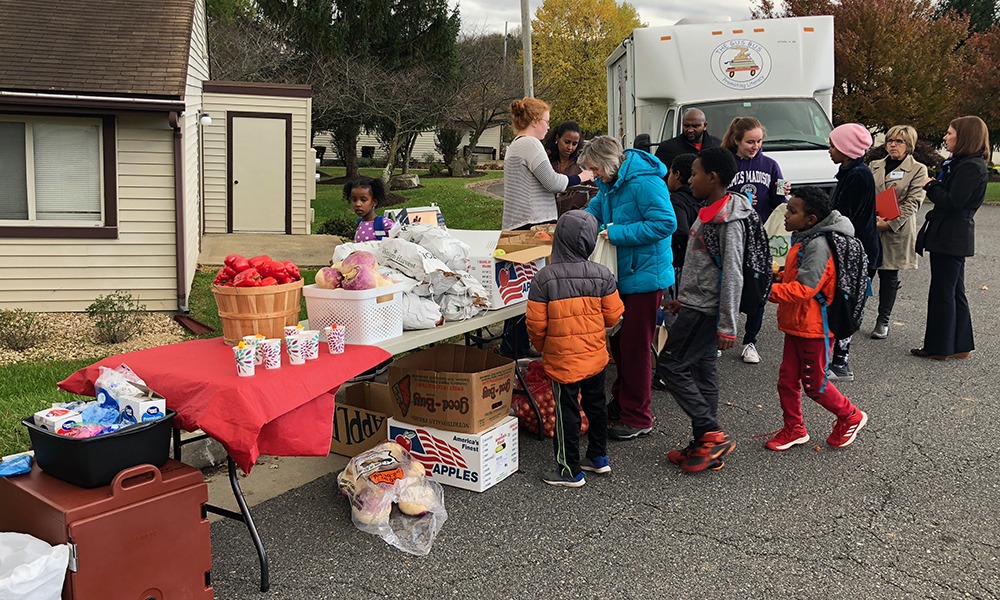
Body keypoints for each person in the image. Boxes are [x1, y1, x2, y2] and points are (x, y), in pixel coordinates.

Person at [580, 136, 676, 441]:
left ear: (608, 163)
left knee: (634, 347)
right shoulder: (611, 185)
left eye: (595, 169)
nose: (593, 176)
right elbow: (592, 213)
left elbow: (665, 223)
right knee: (621, 345)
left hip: (645, 278)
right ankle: (623, 403)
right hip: (625, 274)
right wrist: (571, 226)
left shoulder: (644, 182)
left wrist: (618, 233)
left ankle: (638, 415)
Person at [656, 147, 744, 472]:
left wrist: (727, 325)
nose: (689, 179)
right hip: (696, 304)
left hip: (707, 311)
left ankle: (711, 433)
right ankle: (704, 445)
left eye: (694, 174)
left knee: (671, 366)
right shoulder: (709, 209)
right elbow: (703, 265)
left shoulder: (728, 220)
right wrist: (684, 297)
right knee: (703, 372)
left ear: (713, 177)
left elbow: (733, 272)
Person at [764, 186, 869, 452]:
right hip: (798, 323)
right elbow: (801, 277)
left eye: (792, 211)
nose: (786, 215)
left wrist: (765, 292)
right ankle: (794, 428)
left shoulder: (819, 244)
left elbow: (806, 289)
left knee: (815, 384)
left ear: (811, 220)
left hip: (815, 327)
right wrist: (780, 277)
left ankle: (851, 416)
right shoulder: (807, 238)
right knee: (787, 379)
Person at [526, 211, 625, 487]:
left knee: (566, 412)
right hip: (595, 355)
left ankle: (569, 470)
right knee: (596, 405)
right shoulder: (602, 275)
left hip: (562, 359)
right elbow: (614, 316)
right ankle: (598, 457)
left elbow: (535, 325)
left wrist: (543, 347)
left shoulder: (544, 279)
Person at [501, 98, 594, 358]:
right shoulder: (531, 144)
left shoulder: (516, 145)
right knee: (530, 289)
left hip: (517, 223)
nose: (547, 128)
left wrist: (556, 198)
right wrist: (581, 178)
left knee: (518, 290)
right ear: (534, 121)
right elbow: (552, 181)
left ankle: (515, 346)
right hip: (533, 227)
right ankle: (514, 349)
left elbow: (535, 187)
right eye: (546, 122)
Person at [912, 116, 990, 360]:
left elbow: (953, 202)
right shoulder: (963, 163)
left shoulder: (970, 166)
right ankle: (958, 344)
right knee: (954, 290)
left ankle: (940, 347)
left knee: (943, 292)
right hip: (950, 233)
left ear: (964, 136)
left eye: (949, 133)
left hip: (951, 234)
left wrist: (931, 186)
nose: (945, 138)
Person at [722, 117, 790, 365]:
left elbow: (779, 200)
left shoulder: (770, 164)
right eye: (750, 141)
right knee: (726, 286)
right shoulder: (726, 162)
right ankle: (721, 334)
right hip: (730, 234)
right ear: (736, 140)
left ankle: (751, 341)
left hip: (760, 238)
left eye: (759, 141)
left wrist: (784, 192)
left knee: (758, 288)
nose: (755, 146)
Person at [826, 123, 879, 381]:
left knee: (847, 302)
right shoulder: (848, 172)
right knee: (838, 300)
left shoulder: (859, 176)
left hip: (858, 251)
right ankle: (833, 357)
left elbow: (845, 216)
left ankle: (841, 362)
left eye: (834, 145)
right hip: (850, 248)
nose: (829, 150)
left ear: (846, 149)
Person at [869, 125, 928, 339]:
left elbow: (914, 202)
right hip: (871, 226)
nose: (893, 144)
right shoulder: (874, 165)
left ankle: (883, 320)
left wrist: (889, 223)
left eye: (899, 141)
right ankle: (853, 315)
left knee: (889, 273)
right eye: (890, 140)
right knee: (864, 271)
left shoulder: (918, 169)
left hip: (896, 228)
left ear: (909, 145)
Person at [544, 121, 591, 215]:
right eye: (567, 142)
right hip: (548, 218)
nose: (570, 147)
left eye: (574, 144)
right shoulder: (546, 161)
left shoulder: (582, 163)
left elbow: (596, 191)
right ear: (557, 138)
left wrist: (583, 210)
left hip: (576, 219)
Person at [655, 108, 721, 171]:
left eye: (695, 126)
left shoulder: (718, 146)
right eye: (686, 126)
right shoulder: (667, 149)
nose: (690, 130)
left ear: (705, 126)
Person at [345, 178, 394, 243]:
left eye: (363, 200)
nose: (358, 204)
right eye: (354, 200)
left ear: (374, 202)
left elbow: (398, 242)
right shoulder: (360, 222)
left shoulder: (384, 223)